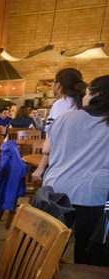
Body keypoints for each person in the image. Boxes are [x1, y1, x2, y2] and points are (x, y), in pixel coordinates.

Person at [39, 75, 109, 264]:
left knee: (50, 248)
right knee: (85, 251)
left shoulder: (66, 118)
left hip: (59, 189)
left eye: (87, 93)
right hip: (94, 194)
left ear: (96, 95)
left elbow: (46, 149)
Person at [34, 68, 88, 177]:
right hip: (82, 163)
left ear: (58, 85)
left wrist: (40, 168)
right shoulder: (83, 104)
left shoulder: (61, 104)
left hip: (62, 164)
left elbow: (51, 141)